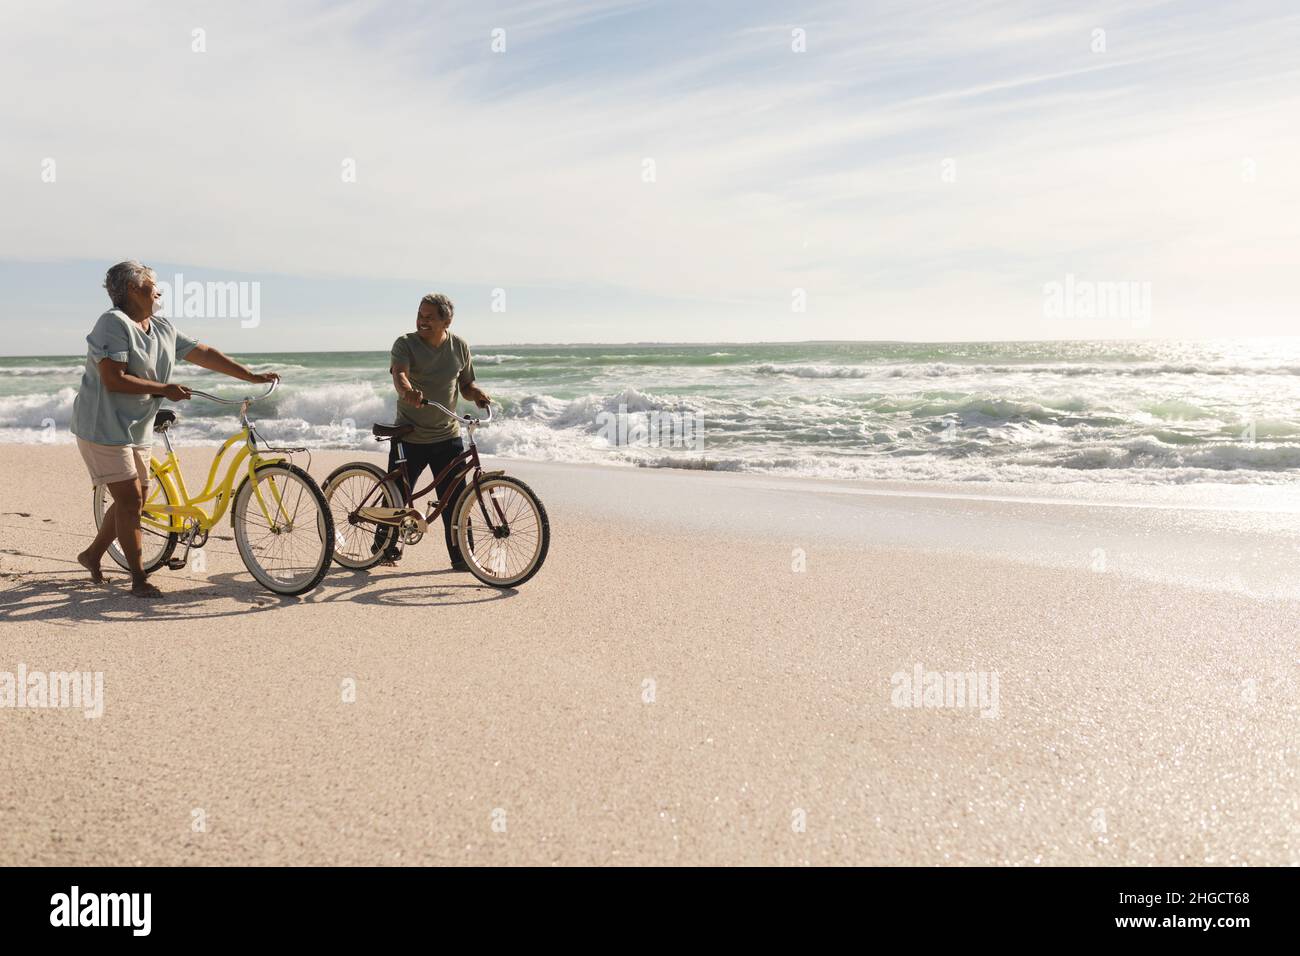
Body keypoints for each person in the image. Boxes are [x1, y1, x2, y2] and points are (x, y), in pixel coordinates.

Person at [71, 260, 279, 598]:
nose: (159, 289)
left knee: (135, 499)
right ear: (131, 291)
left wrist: (251, 375)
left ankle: (92, 555)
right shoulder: (113, 323)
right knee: (130, 499)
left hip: (136, 425)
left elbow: (205, 353)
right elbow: (113, 378)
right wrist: (163, 389)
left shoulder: (162, 327)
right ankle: (138, 579)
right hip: (103, 425)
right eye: (152, 284)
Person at [382, 293, 491, 570]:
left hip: (447, 435)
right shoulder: (405, 344)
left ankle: (463, 557)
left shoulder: (459, 347)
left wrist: (476, 394)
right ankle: (382, 550)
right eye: (420, 315)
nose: (422, 321)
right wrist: (408, 392)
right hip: (410, 434)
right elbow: (400, 375)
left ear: (447, 321)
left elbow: (465, 385)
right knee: (396, 496)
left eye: (430, 317)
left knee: (456, 500)